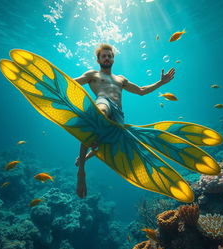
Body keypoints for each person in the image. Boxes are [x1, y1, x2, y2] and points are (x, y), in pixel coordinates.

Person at [74, 43, 175, 199]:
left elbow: (141, 91)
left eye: (109, 56)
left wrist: (161, 82)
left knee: (106, 144)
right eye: (103, 56)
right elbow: (72, 82)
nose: (107, 58)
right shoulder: (92, 75)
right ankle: (81, 169)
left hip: (119, 115)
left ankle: (85, 156)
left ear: (113, 59)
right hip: (102, 102)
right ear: (98, 59)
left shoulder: (121, 79)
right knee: (99, 115)